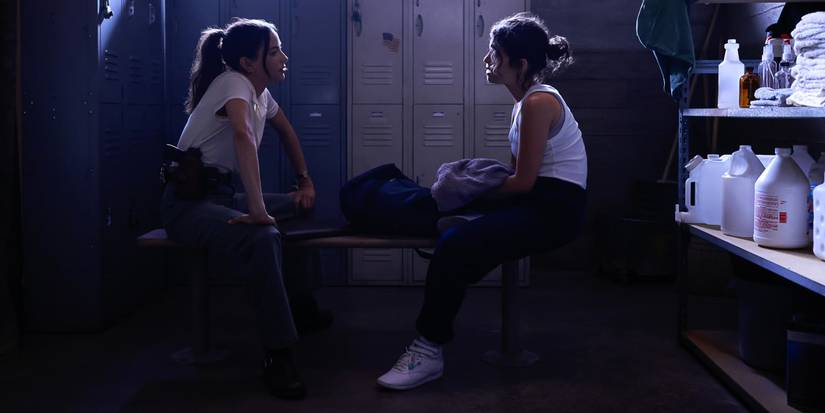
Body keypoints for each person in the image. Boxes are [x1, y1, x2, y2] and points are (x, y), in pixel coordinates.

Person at [376, 12, 588, 390]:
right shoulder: (524, 103)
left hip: (556, 210)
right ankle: (456, 225)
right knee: (437, 209)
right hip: (536, 200)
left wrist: (473, 194)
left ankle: (428, 351)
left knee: (455, 246)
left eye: (495, 53)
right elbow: (516, 178)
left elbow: (521, 182)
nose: (487, 59)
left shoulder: (539, 102)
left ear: (519, 64)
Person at [161, 18, 321, 400]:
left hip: (223, 196)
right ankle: (278, 354)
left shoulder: (260, 93)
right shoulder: (233, 83)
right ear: (249, 63)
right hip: (188, 205)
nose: (284, 57)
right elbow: (242, 134)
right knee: (263, 235)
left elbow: (286, 131)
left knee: (299, 207)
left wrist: (305, 181)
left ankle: (300, 307)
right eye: (274, 51)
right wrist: (257, 208)